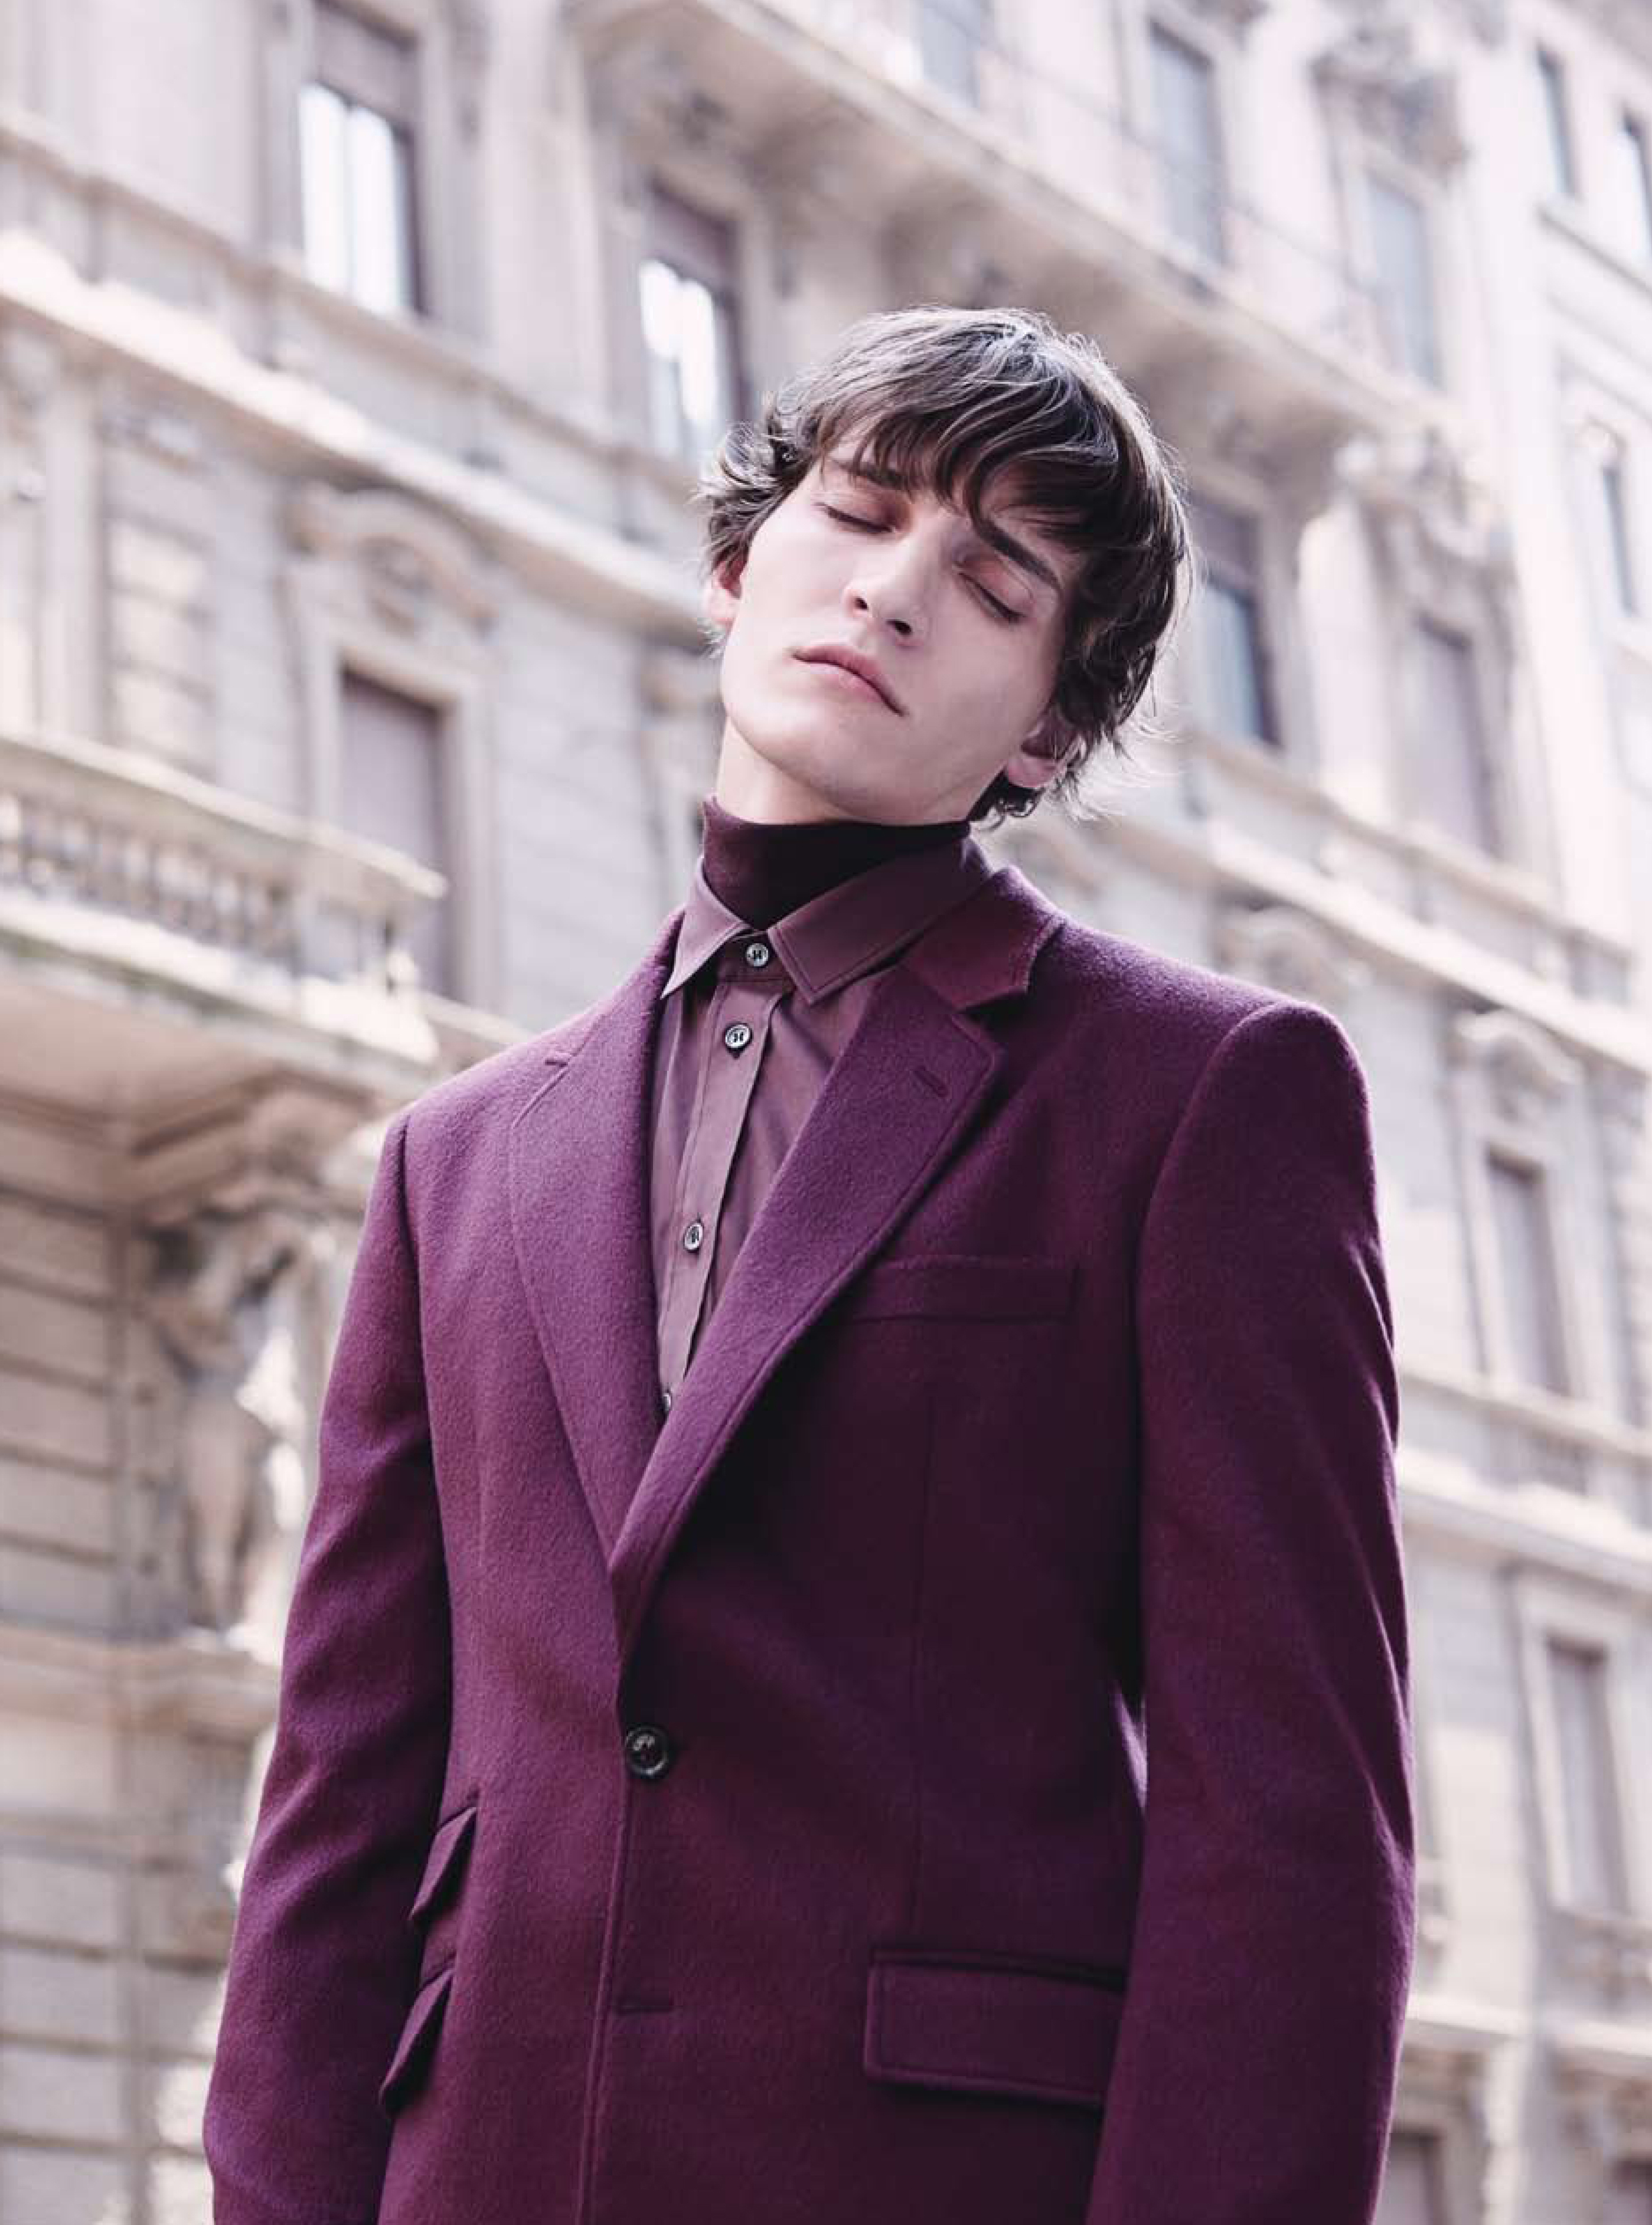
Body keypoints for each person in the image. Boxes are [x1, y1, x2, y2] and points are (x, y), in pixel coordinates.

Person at [203, 303, 1415, 2225]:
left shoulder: (1204, 1099)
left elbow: (1289, 1828)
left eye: (994, 583)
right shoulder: (454, 1162)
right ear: (736, 564)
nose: (895, 589)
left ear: (1052, 727)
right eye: (857, 513)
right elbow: (339, 1804)